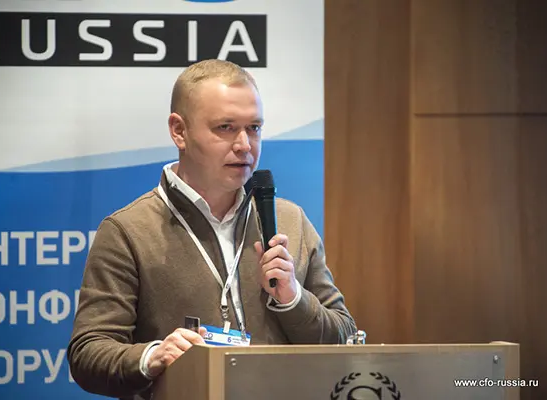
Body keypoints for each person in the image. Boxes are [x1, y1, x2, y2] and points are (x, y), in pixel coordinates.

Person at [67, 59, 357, 400]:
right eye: (225, 127)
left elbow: (345, 338)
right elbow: (88, 353)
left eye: (254, 128)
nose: (245, 145)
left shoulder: (290, 220)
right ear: (179, 131)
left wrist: (294, 299)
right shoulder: (128, 231)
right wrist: (153, 356)